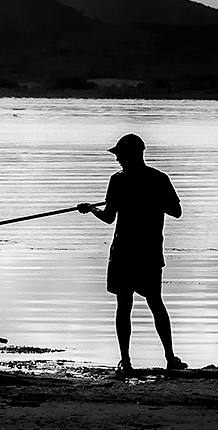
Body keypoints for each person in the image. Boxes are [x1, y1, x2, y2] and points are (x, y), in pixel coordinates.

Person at [78, 133, 186, 375]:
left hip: (139, 252)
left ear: (135, 153)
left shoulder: (154, 180)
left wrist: (152, 198)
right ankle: (127, 360)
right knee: (130, 305)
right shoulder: (120, 180)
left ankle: (167, 357)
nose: (117, 159)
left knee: (151, 303)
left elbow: (176, 211)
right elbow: (108, 216)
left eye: (120, 154)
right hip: (129, 252)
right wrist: (91, 208)